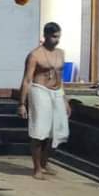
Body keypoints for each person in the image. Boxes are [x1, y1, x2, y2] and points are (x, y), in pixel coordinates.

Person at [18, 21, 71, 180]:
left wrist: (65, 99)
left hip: (56, 92)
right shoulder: (35, 55)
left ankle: (44, 162)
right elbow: (27, 79)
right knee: (39, 131)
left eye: (59, 36)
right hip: (39, 91)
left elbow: (61, 78)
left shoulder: (60, 53)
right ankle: (37, 168)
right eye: (54, 37)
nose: (57, 40)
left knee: (58, 131)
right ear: (46, 36)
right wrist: (22, 104)